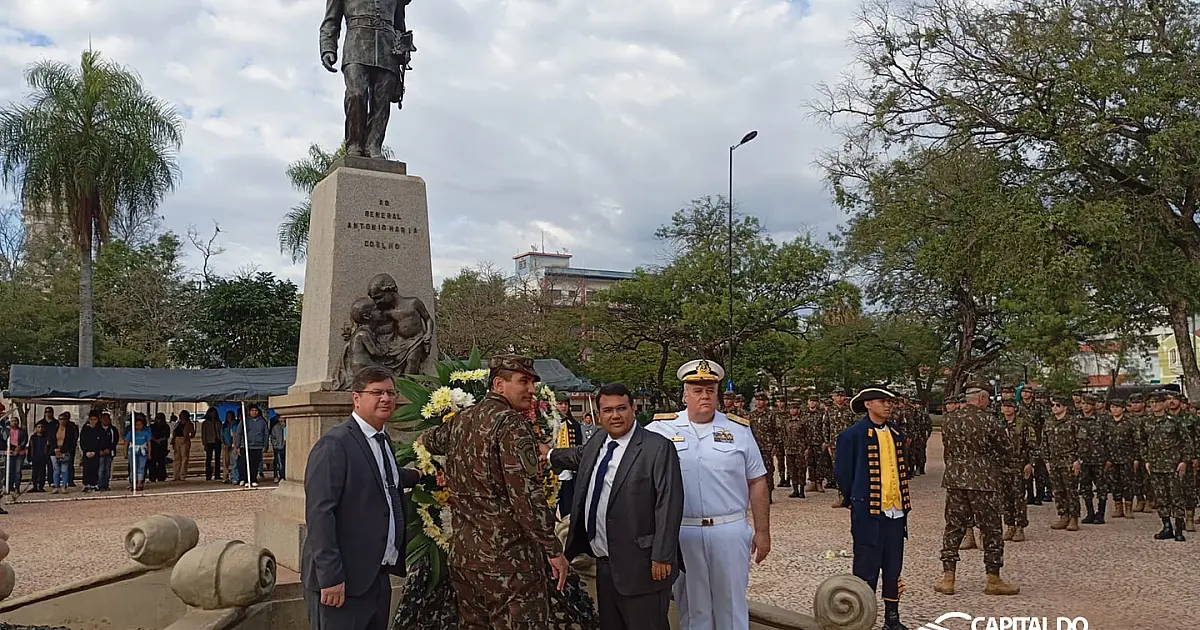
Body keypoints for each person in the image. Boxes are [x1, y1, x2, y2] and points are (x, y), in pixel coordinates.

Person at [419, 355, 568, 629]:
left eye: (533, 383)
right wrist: (553, 549)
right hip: (509, 563)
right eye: (523, 382)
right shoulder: (511, 424)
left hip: (466, 559)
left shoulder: (461, 420)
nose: (532, 390)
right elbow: (526, 495)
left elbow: (428, 440)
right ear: (499, 384)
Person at [645, 359, 770, 630]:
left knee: (732, 605)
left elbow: (757, 481)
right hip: (683, 531)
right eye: (698, 390)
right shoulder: (659, 429)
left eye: (710, 390)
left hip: (729, 528)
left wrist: (763, 531)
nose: (705, 396)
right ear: (684, 395)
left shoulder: (739, 429)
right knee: (691, 606)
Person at [548, 382, 684, 630]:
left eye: (621, 408)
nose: (615, 415)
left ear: (633, 408)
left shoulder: (657, 447)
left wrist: (663, 555)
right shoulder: (599, 439)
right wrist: (547, 454)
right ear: (599, 415)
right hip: (604, 565)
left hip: (643, 567)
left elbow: (669, 502)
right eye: (608, 410)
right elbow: (579, 455)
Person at [302, 365, 421, 630]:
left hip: (376, 576)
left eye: (391, 392)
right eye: (377, 392)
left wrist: (420, 474)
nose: (386, 398)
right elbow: (320, 514)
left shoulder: (381, 438)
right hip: (343, 583)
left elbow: (382, 478)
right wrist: (331, 577)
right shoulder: (335, 444)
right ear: (356, 398)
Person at [834, 387, 911, 630]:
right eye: (882, 401)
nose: (888, 406)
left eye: (890, 402)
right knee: (866, 566)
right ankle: (860, 618)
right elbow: (843, 472)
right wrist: (853, 498)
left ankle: (892, 618)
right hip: (868, 511)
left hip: (896, 510)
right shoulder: (852, 435)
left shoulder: (897, 433)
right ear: (868, 404)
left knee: (893, 565)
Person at [935, 383, 1019, 597]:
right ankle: (993, 578)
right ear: (981, 399)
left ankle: (948, 578)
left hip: (955, 479)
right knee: (991, 529)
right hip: (983, 480)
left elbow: (948, 449)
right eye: (988, 398)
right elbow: (1006, 449)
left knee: (953, 527)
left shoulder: (949, 420)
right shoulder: (989, 420)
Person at [1143, 390, 1191, 541]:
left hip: (1173, 465)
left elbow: (1187, 442)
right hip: (1156, 466)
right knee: (1161, 498)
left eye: (1158, 402)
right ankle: (1166, 526)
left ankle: (1178, 527)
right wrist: (1146, 460)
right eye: (1152, 402)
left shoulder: (1174, 421)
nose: (1155, 405)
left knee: (1176, 497)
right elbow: (1143, 442)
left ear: (1164, 403)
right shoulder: (1147, 422)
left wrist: (1184, 461)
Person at [1043, 395, 1082, 531]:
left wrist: (1078, 459)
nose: (1054, 408)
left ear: (1065, 407)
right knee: (1058, 491)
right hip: (1054, 462)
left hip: (1069, 461)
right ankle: (1063, 515)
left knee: (1071, 490)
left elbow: (1082, 443)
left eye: (1057, 405)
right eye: (1052, 405)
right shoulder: (1048, 422)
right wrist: (1047, 460)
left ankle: (1073, 517)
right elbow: (1045, 443)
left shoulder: (1074, 422)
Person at [554, 392, 584, 519]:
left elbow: (578, 446)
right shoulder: (547, 423)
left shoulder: (574, 425)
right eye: (560, 404)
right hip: (552, 470)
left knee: (567, 505)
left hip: (567, 470)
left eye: (566, 404)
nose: (563, 407)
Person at [781, 400, 808, 499]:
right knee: (792, 470)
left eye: (795, 408)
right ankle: (795, 489)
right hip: (789, 449)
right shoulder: (786, 422)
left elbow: (807, 435)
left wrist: (807, 448)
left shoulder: (803, 421)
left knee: (801, 470)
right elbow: (784, 435)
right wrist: (785, 446)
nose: (792, 410)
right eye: (791, 409)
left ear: (798, 410)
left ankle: (801, 490)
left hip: (800, 449)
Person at [237, 405, 269, 488]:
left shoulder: (262, 422)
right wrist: (238, 446)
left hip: (258, 446)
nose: (254, 412)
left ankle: (253, 479)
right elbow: (239, 433)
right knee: (246, 464)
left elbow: (266, 434)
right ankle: (246, 479)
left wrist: (265, 445)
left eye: (256, 410)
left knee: (255, 464)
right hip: (246, 446)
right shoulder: (244, 421)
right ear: (249, 412)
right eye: (252, 410)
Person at [124, 414, 151, 491]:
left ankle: (139, 483)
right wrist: (125, 453)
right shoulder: (131, 432)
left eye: (140, 425)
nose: (138, 426)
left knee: (141, 467)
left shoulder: (146, 432)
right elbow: (126, 442)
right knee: (133, 467)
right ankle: (133, 482)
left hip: (142, 451)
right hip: (133, 450)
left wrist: (149, 453)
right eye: (136, 425)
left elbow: (149, 443)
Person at [78, 411, 103, 492]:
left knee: (95, 468)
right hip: (86, 453)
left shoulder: (99, 429)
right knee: (86, 468)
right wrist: (85, 451)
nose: (93, 421)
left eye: (95, 419)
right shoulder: (85, 429)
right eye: (91, 419)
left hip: (95, 453)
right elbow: (82, 441)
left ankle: (94, 483)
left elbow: (100, 442)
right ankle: (86, 484)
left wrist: (95, 451)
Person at [172, 410, 196, 482]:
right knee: (177, 458)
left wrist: (188, 437)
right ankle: (176, 475)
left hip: (184, 440)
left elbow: (192, 434)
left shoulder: (189, 424)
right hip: (177, 440)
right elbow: (174, 432)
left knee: (184, 458)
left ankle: (182, 475)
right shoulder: (178, 423)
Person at [97, 412, 119, 491]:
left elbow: (115, 441)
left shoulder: (113, 429)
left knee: (107, 469)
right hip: (100, 453)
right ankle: (99, 484)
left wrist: (109, 449)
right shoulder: (97, 429)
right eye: (104, 419)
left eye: (107, 419)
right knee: (100, 469)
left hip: (109, 452)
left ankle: (105, 484)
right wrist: (100, 450)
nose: (106, 420)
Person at [200, 408, 223, 481]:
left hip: (217, 441)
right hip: (209, 442)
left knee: (217, 459)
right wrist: (204, 443)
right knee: (208, 459)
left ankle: (217, 474)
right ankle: (208, 475)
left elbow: (220, 431)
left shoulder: (218, 422)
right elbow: (203, 434)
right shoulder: (205, 423)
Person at [270, 416, 287, 482]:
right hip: (278, 447)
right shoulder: (275, 427)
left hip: (286, 446)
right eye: (281, 418)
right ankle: (278, 476)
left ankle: (284, 476)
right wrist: (275, 444)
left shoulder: (288, 426)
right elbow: (273, 437)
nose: (282, 419)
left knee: (285, 462)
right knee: (278, 462)